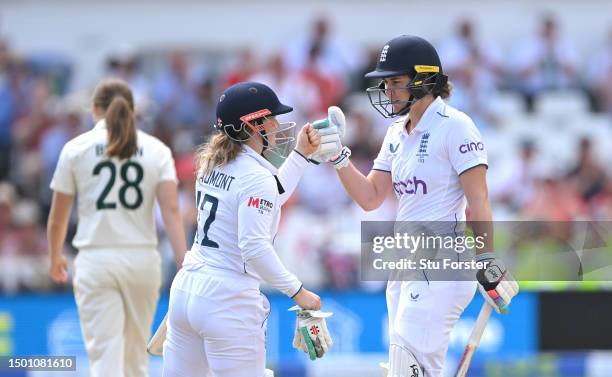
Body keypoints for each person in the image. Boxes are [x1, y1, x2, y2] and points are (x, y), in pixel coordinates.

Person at [325, 35, 519, 376]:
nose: (388, 91)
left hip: (443, 263)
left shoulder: (456, 126)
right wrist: (337, 157)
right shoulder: (396, 132)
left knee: (409, 366)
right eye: (385, 83)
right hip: (405, 263)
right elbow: (371, 198)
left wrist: (487, 259)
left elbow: (479, 199)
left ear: (425, 78)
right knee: (408, 368)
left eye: (396, 82)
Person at [162, 82, 326, 377]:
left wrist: (301, 155)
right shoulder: (254, 176)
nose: (277, 125)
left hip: (187, 288)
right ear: (252, 125)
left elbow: (269, 196)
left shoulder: (213, 162)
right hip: (227, 299)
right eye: (271, 118)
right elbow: (254, 248)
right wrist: (298, 292)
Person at [47, 78, 188, 377]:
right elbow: (171, 210)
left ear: (94, 109)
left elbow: (58, 216)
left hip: (96, 259)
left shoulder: (76, 148)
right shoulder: (156, 149)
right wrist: (183, 262)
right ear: (134, 111)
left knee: (105, 359)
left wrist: (55, 256)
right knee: (137, 359)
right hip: (142, 260)